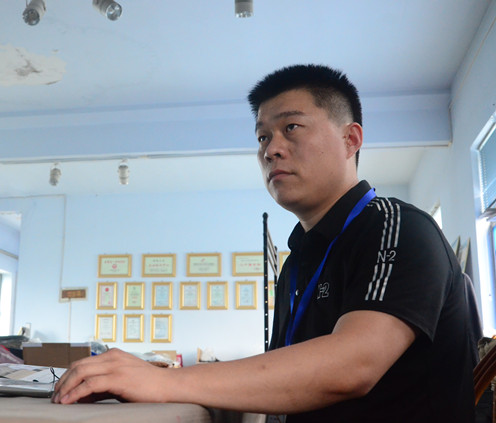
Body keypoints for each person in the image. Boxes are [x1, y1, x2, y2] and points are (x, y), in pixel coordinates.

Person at [52, 64, 482, 422]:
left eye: (291, 127)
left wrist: (165, 381)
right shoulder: (297, 262)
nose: (271, 150)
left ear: (350, 139)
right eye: (262, 137)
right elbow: (292, 372)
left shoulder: (397, 227)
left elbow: (353, 365)